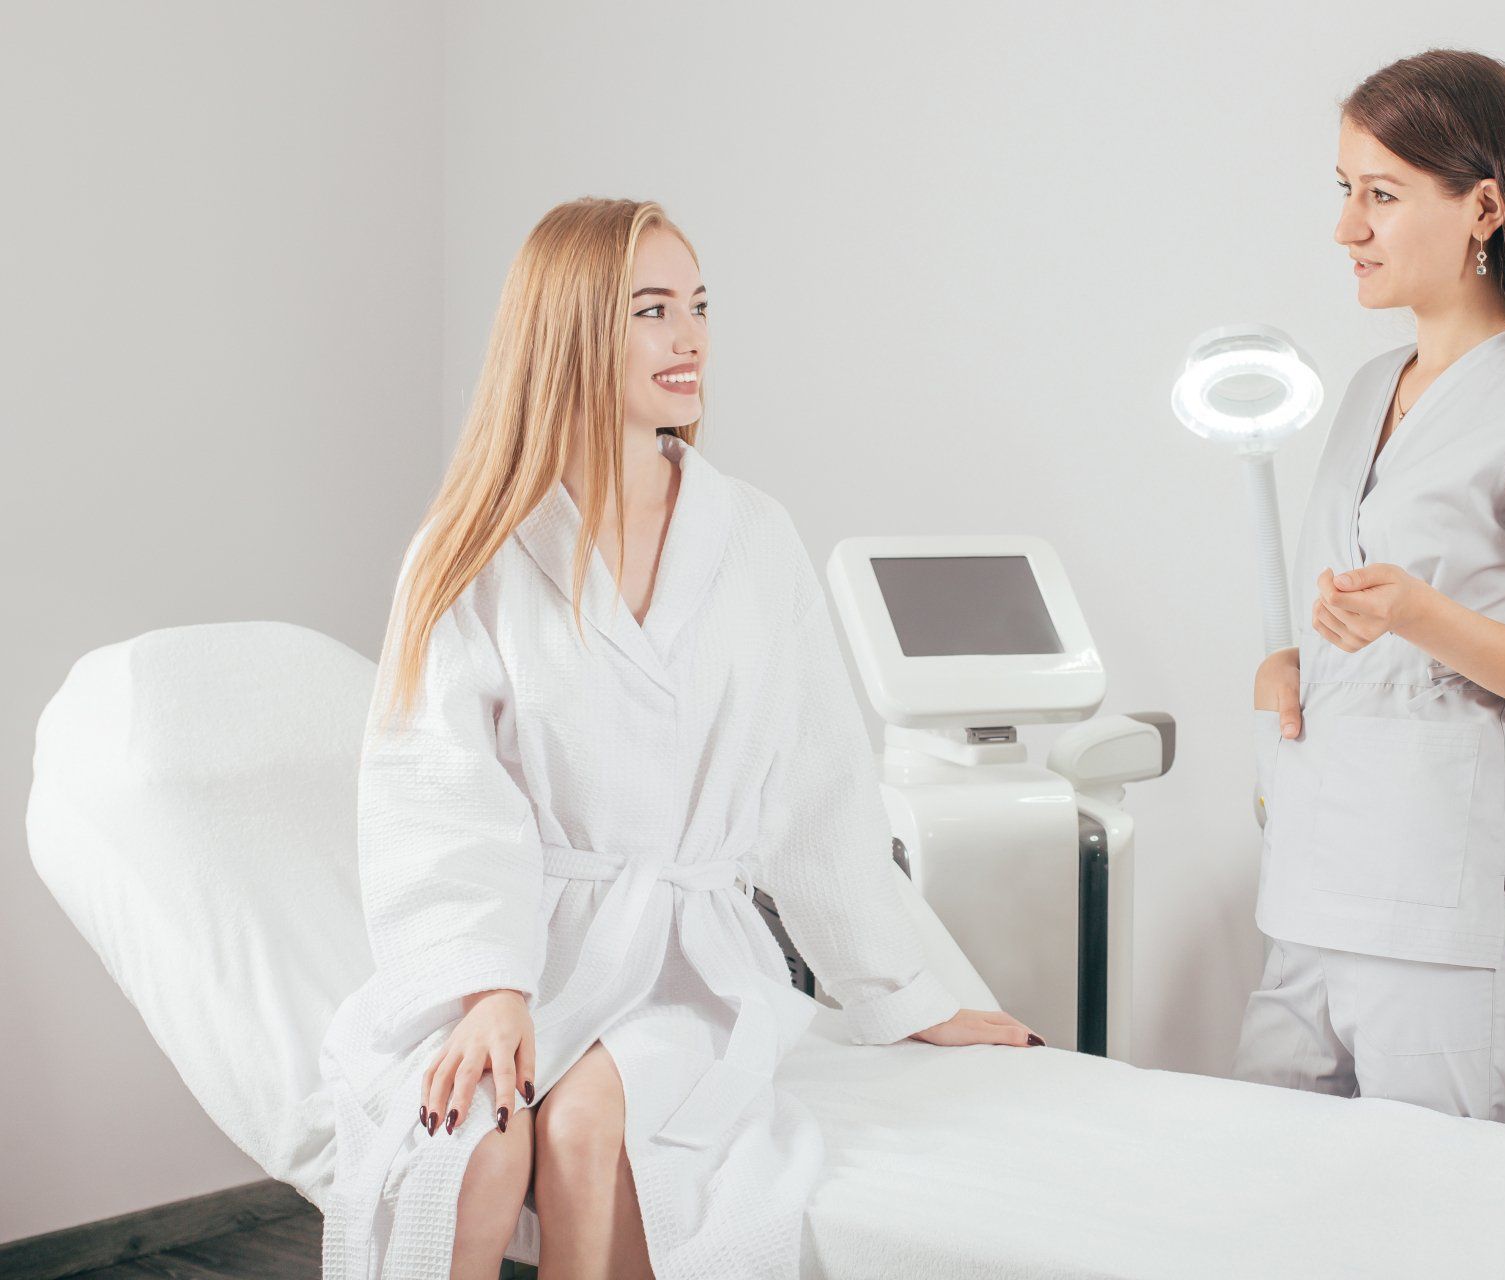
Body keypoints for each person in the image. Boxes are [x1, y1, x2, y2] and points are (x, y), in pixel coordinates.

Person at [317, 198, 1041, 1280]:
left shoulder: (752, 537)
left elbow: (823, 794)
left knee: (586, 1131)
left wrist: (907, 997)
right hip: (519, 952)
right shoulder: (471, 550)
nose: (690, 337)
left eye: (699, 307)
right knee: (469, 1150)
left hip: (684, 964)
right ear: (570, 334)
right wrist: (491, 986)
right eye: (651, 311)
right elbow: (436, 789)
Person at [1232, 50, 1505, 1128]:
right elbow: (1372, 646)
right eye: (1345, 189)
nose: (1347, 228)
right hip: (1309, 905)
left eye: (1382, 195)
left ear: (1484, 208)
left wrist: (1422, 617)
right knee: (1260, 1198)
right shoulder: (1367, 391)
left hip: (1442, 936)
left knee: (1437, 1213)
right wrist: (1297, 667)